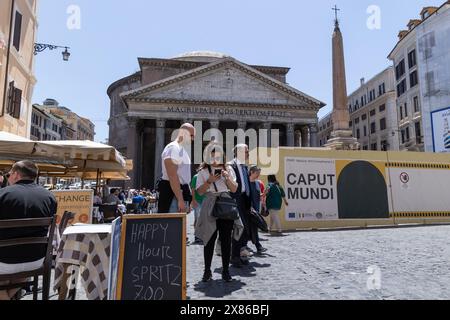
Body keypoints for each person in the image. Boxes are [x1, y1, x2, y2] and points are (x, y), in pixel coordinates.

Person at [0, 161, 57, 300]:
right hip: (36, 260)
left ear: (16, 174)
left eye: (9, 174)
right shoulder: (50, 197)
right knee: (16, 274)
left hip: (4, 261)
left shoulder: (3, 194)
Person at [195, 144, 243, 283]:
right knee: (208, 239)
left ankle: (226, 271)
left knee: (226, 239)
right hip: (210, 203)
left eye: (218, 156)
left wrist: (227, 178)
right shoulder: (203, 171)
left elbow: (234, 190)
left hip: (225, 204)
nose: (216, 159)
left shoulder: (228, 169)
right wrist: (209, 181)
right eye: (213, 155)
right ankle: (207, 271)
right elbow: (199, 192)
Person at [158, 123, 196, 214]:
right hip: (173, 194)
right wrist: (180, 199)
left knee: (179, 226)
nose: (192, 139)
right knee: (171, 225)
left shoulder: (181, 149)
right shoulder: (173, 148)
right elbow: (172, 176)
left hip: (179, 192)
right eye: (191, 135)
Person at [228, 144, 252, 268]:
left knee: (245, 229)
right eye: (246, 151)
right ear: (239, 152)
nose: (248, 154)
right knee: (239, 228)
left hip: (244, 201)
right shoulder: (230, 165)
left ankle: (242, 254)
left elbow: (246, 184)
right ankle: (235, 256)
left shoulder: (244, 167)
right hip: (235, 200)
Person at [248, 165, 267, 254]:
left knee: (254, 228)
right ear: (251, 172)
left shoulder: (257, 183)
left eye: (259, 173)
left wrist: (263, 194)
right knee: (247, 228)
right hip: (247, 209)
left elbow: (257, 196)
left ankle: (257, 246)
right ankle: (256, 246)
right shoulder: (246, 183)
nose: (258, 175)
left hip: (255, 210)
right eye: (257, 173)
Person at [191, 172, 206, 245]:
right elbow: (193, 189)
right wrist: (193, 200)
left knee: (204, 219)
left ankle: (202, 236)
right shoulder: (195, 177)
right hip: (198, 201)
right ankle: (197, 236)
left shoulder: (207, 176)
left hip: (206, 200)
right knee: (197, 219)